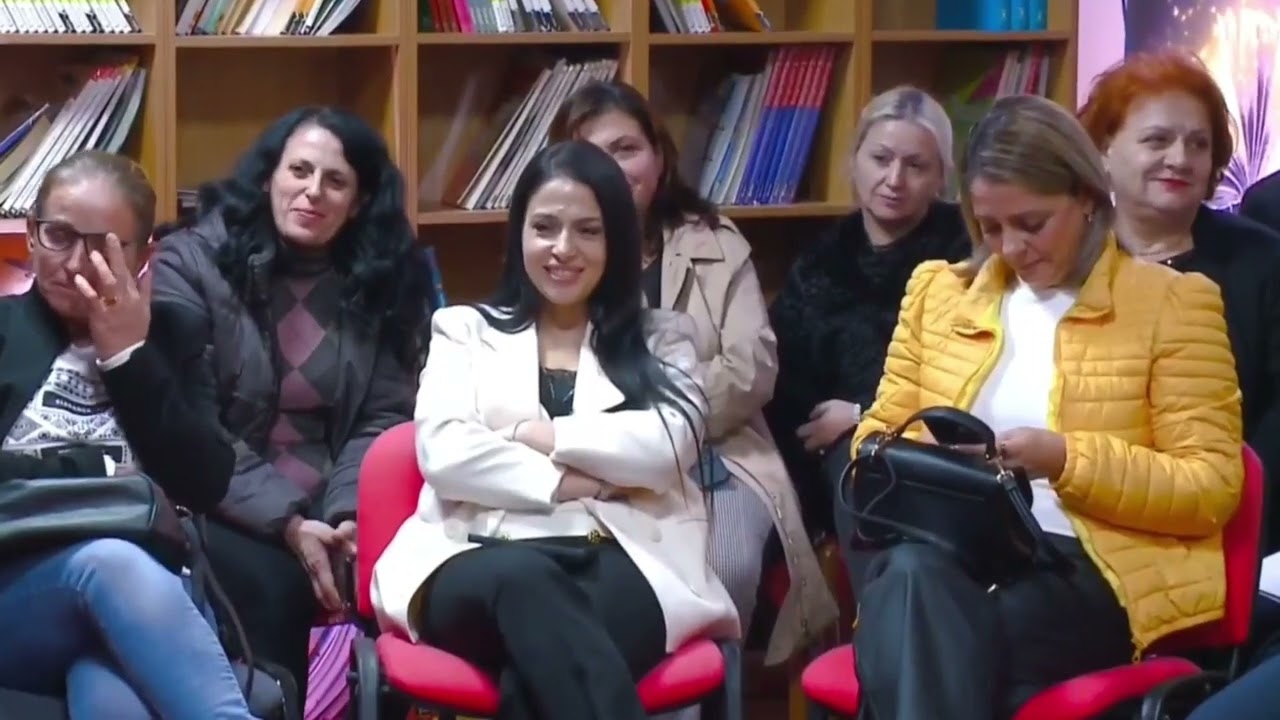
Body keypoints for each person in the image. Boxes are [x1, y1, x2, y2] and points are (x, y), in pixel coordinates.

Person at [843, 94, 1244, 720]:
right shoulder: (938, 293)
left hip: (1092, 567)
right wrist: (940, 470)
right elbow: (875, 436)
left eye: (1031, 224)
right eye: (990, 227)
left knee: (918, 628)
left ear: (1086, 197)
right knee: (918, 585)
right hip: (950, 549)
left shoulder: (1173, 305)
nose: (1010, 247)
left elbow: (1210, 487)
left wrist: (1064, 460)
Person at [371, 140, 739, 719]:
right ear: (519, 234)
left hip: (622, 556)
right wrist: (576, 482)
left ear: (616, 241)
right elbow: (445, 453)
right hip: (477, 555)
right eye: (544, 227)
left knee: (539, 673)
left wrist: (540, 434)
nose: (563, 248)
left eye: (588, 231)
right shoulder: (463, 331)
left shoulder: (664, 338)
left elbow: (668, 447)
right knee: (527, 584)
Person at [548, 79, 836, 665]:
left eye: (626, 148)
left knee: (722, 566)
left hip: (719, 456)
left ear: (658, 157)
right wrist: (625, 445)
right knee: (590, 572)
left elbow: (752, 367)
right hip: (595, 464)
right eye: (591, 153)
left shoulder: (715, 242)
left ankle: (701, 700)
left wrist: (664, 430)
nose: (611, 168)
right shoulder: (555, 252)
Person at [151, 106, 430, 704]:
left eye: (335, 180)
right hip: (219, 498)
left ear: (358, 201)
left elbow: (383, 418)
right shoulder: (189, 264)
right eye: (299, 171)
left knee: (398, 581)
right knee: (273, 587)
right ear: (268, 177)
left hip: (336, 501)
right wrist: (291, 523)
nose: (313, 191)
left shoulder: (387, 276)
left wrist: (349, 517)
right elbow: (193, 426)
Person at [0, 150, 253, 718]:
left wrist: (128, 358)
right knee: (108, 563)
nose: (75, 263)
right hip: (16, 594)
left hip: (144, 602)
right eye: (58, 236)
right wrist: (102, 471)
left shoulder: (175, 336)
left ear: (143, 256)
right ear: (32, 235)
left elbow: (205, 481)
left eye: (102, 246)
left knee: (115, 691)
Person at [1078, 50, 1280, 552]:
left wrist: (1239, 507)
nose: (1180, 159)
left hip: (1233, 518)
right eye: (1157, 140)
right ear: (1103, 149)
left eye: (1198, 144)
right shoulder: (1065, 256)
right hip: (1084, 506)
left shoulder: (1264, 260)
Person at [765, 85, 969, 537]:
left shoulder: (967, 255)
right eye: (880, 159)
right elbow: (783, 379)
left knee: (864, 471)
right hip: (814, 450)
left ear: (942, 176)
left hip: (923, 447)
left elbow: (969, 377)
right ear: (854, 161)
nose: (894, 179)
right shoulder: (821, 259)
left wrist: (865, 414)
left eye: (916, 166)